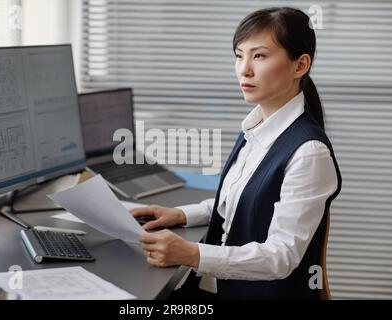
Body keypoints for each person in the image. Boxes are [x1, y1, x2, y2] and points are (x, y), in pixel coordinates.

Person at [131, 7, 342, 300]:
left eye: (259, 56)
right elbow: (244, 202)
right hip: (217, 286)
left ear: (299, 65)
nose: (245, 69)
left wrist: (192, 253)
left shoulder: (309, 153)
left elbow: (281, 256)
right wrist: (181, 214)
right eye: (239, 55)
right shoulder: (256, 127)